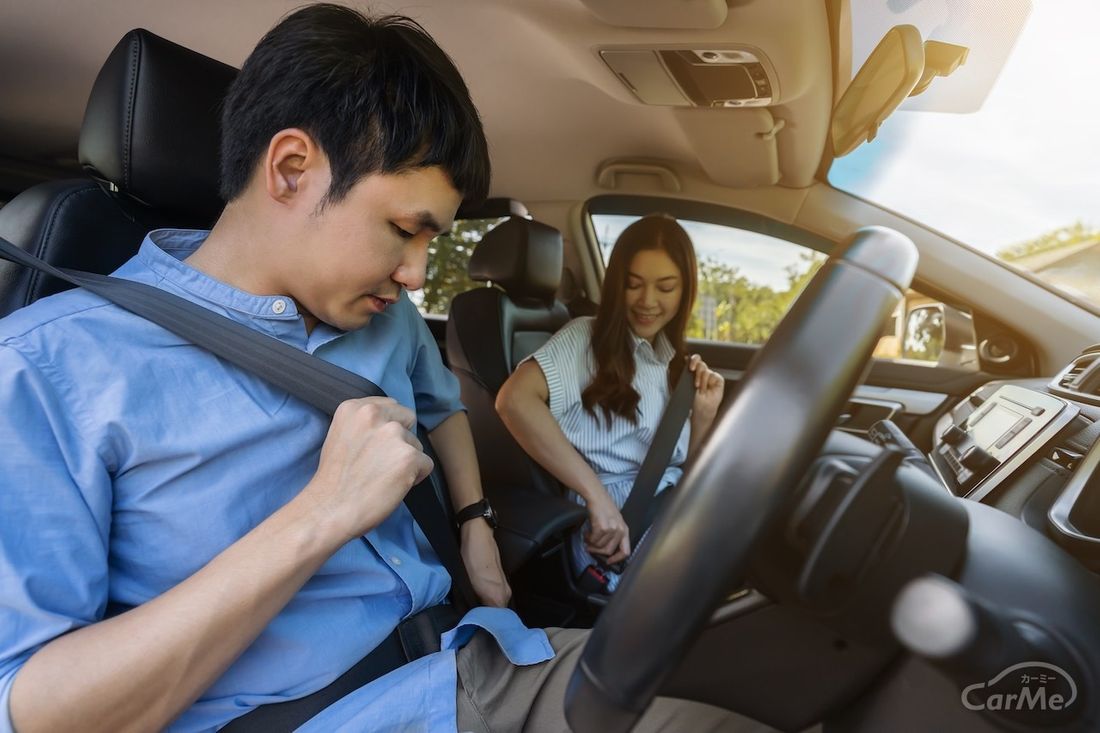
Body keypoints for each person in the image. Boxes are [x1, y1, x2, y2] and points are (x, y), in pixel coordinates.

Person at [0, 6, 769, 733]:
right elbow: (37, 708)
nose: (415, 276)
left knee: (756, 688)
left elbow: (443, 412)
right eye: (405, 230)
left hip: (465, 651)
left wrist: (472, 525)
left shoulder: (384, 318)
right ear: (293, 169)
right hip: (327, 711)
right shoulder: (50, 368)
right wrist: (323, 512)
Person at [496, 215, 726, 592]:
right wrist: (596, 498)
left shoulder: (670, 360)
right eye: (633, 285)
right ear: (616, 284)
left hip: (672, 509)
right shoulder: (584, 337)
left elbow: (688, 467)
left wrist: (703, 414)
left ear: (685, 291)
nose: (647, 301)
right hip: (614, 532)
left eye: (665, 287)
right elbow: (513, 401)